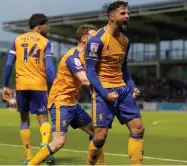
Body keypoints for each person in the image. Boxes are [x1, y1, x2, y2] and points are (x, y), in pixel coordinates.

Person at [28, 24, 104, 165]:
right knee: (59, 142)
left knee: (97, 133)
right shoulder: (73, 57)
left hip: (72, 103)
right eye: (94, 37)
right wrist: (105, 90)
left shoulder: (86, 57)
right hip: (60, 102)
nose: (98, 40)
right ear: (84, 39)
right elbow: (84, 79)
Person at [85, 1, 145, 165]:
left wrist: (132, 87)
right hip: (104, 91)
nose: (127, 16)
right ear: (112, 17)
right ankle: (90, 162)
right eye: (123, 13)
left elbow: (124, 69)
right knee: (100, 137)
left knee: (138, 128)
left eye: (128, 13)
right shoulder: (96, 41)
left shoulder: (125, 41)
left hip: (123, 90)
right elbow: (90, 72)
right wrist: (105, 94)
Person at [3, 13, 56, 165]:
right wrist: (54, 85)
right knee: (43, 119)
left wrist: (5, 85)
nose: (48, 27)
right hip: (38, 85)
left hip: (21, 85)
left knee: (24, 120)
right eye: (46, 24)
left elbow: (8, 64)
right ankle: (45, 147)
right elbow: (50, 68)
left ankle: (28, 157)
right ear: (39, 26)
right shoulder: (46, 42)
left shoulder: (17, 40)